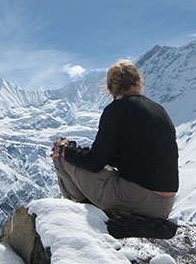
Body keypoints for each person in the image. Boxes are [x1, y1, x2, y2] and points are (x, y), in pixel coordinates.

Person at [51, 59, 178, 219]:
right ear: (139, 81)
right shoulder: (159, 110)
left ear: (110, 89)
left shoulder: (116, 110)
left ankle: (81, 216)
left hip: (137, 201)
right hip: (165, 206)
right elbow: (124, 158)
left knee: (61, 159)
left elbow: (94, 162)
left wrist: (63, 150)